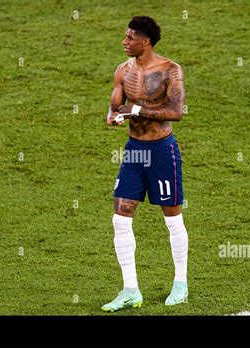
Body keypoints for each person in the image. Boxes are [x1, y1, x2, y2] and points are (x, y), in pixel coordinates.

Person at [102, 16, 189, 312]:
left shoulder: (170, 71)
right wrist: (113, 115)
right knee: (120, 216)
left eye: (130, 38)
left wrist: (136, 109)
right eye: (125, 36)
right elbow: (115, 105)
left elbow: (175, 111)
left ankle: (181, 283)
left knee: (172, 216)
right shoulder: (122, 71)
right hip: (134, 151)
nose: (124, 42)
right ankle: (130, 290)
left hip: (162, 152)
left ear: (146, 41)